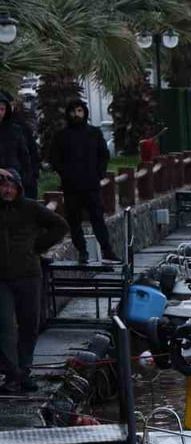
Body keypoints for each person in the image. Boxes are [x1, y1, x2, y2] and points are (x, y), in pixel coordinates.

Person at [0, 168, 69, 393]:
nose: (7, 190)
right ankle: (12, 374)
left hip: (28, 274)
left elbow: (60, 225)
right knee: (5, 326)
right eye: (2, 186)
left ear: (18, 188)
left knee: (30, 324)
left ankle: (24, 370)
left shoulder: (30, 208)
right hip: (2, 279)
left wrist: (37, 246)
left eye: (11, 186)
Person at [50, 100, 117, 263]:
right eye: (73, 111)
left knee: (98, 219)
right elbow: (55, 159)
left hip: (91, 185)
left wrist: (99, 174)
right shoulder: (61, 136)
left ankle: (107, 250)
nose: (76, 115)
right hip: (71, 187)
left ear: (84, 112)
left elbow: (103, 155)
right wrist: (66, 174)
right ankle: (82, 252)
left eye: (79, 111)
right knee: (74, 221)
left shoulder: (94, 133)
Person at [0, 92, 40, 199]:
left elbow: (25, 156)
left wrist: (27, 178)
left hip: (15, 182)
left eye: (2, 109)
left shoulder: (16, 130)